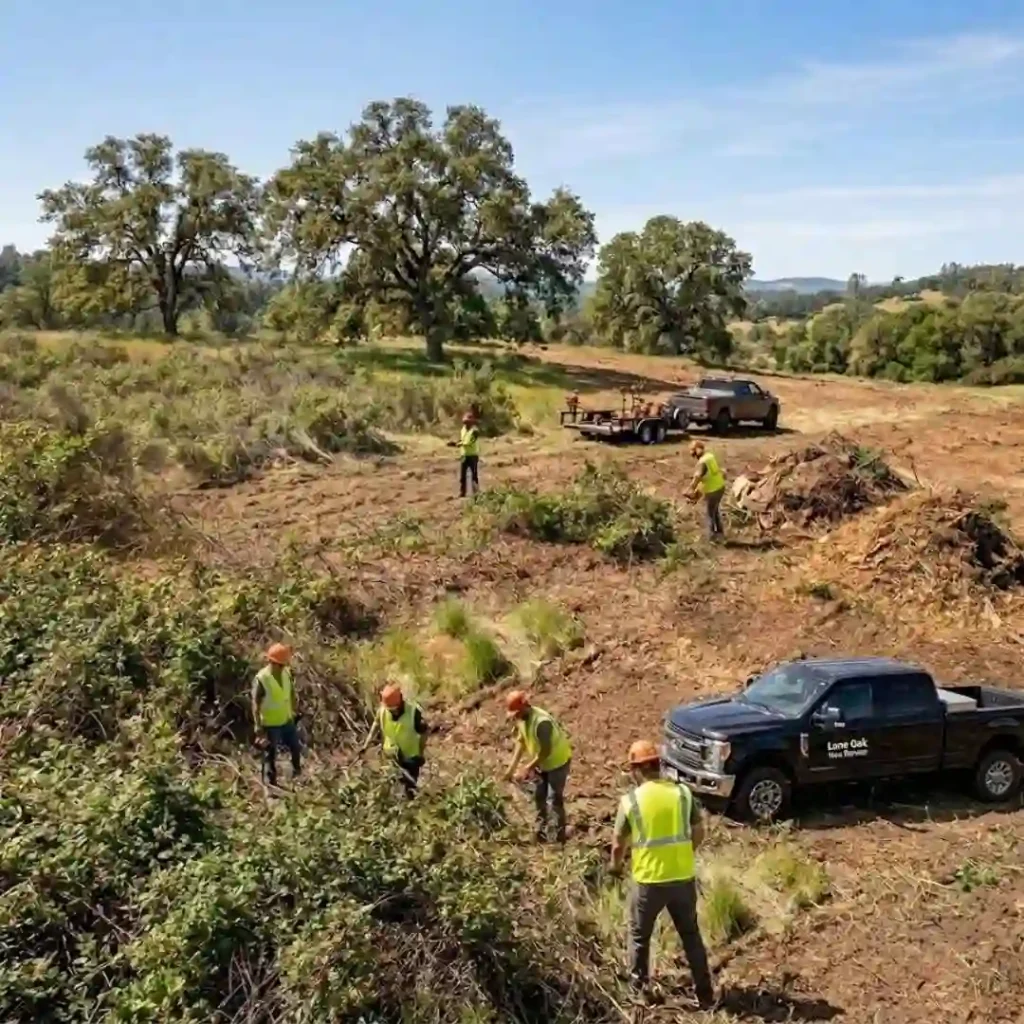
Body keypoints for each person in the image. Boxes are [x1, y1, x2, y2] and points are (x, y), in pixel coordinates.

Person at [611, 739, 715, 1010]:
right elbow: (699, 831)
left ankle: (637, 992)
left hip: (648, 881)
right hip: (682, 878)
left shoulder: (631, 800)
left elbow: (617, 844)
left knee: (639, 936)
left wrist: (615, 867)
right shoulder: (682, 794)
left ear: (636, 770)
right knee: (691, 935)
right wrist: (684, 853)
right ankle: (705, 995)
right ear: (658, 765)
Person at [504, 689, 572, 843]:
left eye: (517, 713)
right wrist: (511, 769)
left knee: (554, 799)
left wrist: (527, 767)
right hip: (542, 765)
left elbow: (545, 751)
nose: (515, 717)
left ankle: (559, 838)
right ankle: (540, 833)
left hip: (557, 763)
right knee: (539, 797)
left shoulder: (542, 723)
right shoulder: (522, 719)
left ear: (524, 707)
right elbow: (521, 742)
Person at [361, 684, 428, 798]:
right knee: (392, 789)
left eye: (394, 709)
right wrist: (365, 746)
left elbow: (424, 733)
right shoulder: (382, 711)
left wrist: (421, 753)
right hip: (391, 756)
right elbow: (375, 727)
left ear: (400, 702)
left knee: (409, 789)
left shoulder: (413, 712)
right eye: (390, 709)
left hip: (410, 758)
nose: (392, 712)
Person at [252, 643, 301, 788]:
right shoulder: (262, 678)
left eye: (283, 665)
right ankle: (270, 785)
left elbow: (291, 692)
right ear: (270, 662)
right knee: (270, 756)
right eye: (279, 665)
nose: (281, 668)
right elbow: (255, 703)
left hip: (286, 719)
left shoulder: (285, 674)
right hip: (270, 724)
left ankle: (296, 775)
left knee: (295, 747)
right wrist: (257, 725)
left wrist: (295, 709)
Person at [689, 439, 726, 541]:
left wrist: (691, 489)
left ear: (699, 449)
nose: (692, 453)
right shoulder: (710, 457)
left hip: (713, 490)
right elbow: (708, 476)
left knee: (709, 514)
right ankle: (720, 534)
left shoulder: (702, 462)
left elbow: (698, 477)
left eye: (693, 450)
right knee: (715, 511)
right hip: (720, 487)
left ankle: (711, 538)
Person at [458, 410, 480, 498]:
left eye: (467, 422)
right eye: (465, 422)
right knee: (462, 476)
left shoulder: (475, 431)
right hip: (464, 455)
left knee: (474, 476)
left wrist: (458, 444)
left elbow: (469, 442)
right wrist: (458, 442)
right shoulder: (463, 429)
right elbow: (462, 440)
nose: (465, 424)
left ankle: (476, 493)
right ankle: (462, 493)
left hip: (473, 456)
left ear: (471, 422)